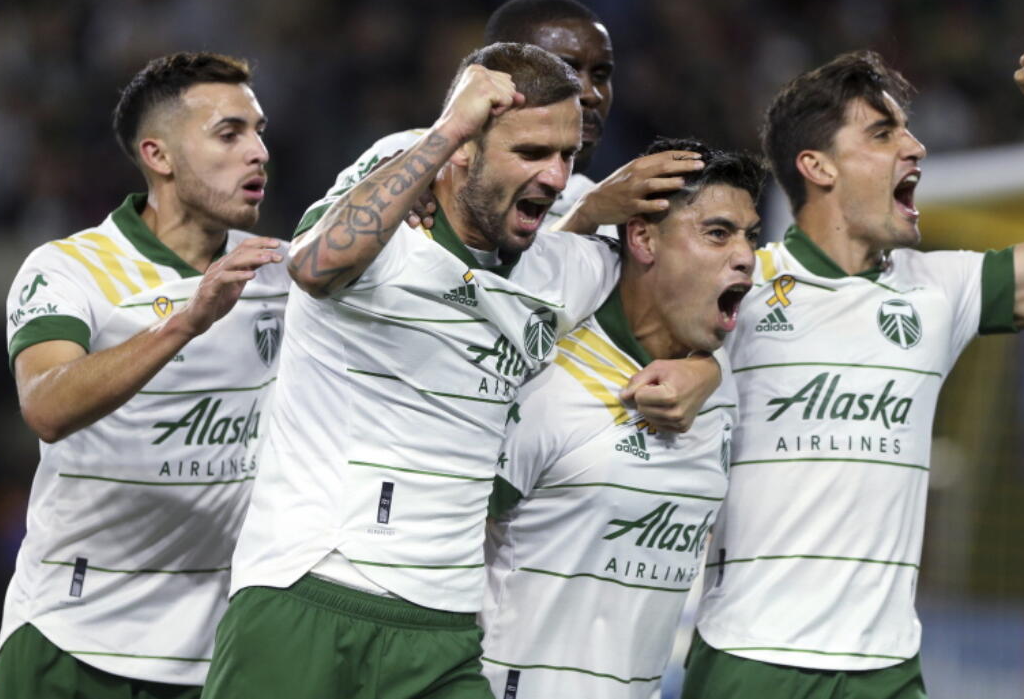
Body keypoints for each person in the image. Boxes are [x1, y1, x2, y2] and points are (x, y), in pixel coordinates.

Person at [204, 44, 719, 699]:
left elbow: (692, 296)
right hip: (310, 589)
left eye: (565, 155)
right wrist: (447, 128)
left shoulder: (560, 271)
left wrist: (703, 366)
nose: (558, 177)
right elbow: (313, 269)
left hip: (444, 630)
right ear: (463, 153)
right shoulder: (382, 248)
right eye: (531, 153)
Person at [683, 38, 1024, 697]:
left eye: (906, 129)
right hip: (752, 659)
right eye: (883, 133)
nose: (916, 147)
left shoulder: (939, 288)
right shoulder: (738, 288)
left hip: (888, 669)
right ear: (817, 166)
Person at [0, 52, 289, 698]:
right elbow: (45, 404)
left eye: (259, 130)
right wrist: (186, 321)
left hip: (213, 651)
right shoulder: (69, 270)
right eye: (229, 133)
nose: (259, 152)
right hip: (70, 634)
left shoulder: (277, 274)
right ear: (159, 156)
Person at [481, 137, 766, 698]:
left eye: (750, 236)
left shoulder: (719, 386)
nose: (746, 255)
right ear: (642, 237)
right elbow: (444, 544)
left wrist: (709, 370)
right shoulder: (547, 377)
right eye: (717, 233)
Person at [339, 0, 703, 238]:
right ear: (496, 72)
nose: (590, 94)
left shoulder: (603, 207)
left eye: (602, 75)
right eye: (566, 70)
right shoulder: (408, 157)